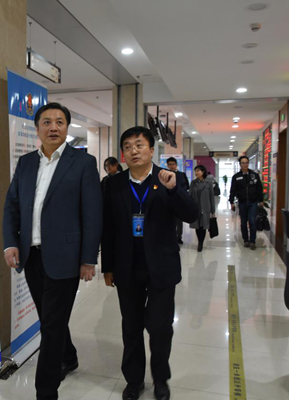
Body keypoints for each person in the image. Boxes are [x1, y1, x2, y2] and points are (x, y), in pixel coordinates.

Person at [3, 102, 102, 400]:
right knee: (50, 319)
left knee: (51, 326)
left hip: (66, 257)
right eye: (46, 122)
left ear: (67, 128)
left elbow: (92, 214)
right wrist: (10, 242)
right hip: (31, 255)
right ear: (37, 129)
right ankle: (68, 356)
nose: (53, 127)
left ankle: (45, 392)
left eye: (59, 121)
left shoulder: (83, 162)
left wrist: (88, 259)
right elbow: (12, 205)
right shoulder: (26, 163)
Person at [102, 126, 198, 400]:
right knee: (131, 326)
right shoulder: (113, 184)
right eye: (128, 147)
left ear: (151, 150)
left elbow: (191, 214)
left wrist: (174, 190)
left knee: (160, 327)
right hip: (127, 267)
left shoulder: (168, 178)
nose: (134, 151)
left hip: (162, 266)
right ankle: (134, 381)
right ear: (123, 153)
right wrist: (107, 266)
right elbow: (107, 227)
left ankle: (161, 379)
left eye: (139, 145)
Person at [229, 156, 264, 250]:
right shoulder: (236, 177)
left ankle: (252, 241)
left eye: (246, 163)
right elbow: (233, 190)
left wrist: (261, 200)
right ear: (240, 164)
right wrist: (231, 201)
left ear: (248, 163)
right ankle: (246, 240)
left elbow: (259, 188)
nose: (245, 165)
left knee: (252, 221)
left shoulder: (254, 175)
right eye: (243, 163)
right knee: (243, 222)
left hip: (253, 202)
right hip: (242, 202)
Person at [189, 165, 215, 252]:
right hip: (196, 207)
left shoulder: (208, 183)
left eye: (198, 171)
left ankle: (201, 243)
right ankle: (199, 241)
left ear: (203, 172)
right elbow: (190, 196)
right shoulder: (193, 183)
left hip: (205, 207)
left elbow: (211, 197)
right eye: (195, 171)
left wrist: (213, 210)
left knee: (203, 226)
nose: (196, 173)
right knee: (197, 226)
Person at [166, 157, 189, 244]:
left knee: (179, 221)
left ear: (176, 164)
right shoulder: (165, 174)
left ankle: (179, 237)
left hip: (179, 201)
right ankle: (170, 237)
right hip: (169, 200)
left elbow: (187, 186)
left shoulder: (182, 175)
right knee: (170, 220)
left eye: (173, 164)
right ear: (167, 165)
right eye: (170, 164)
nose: (172, 166)